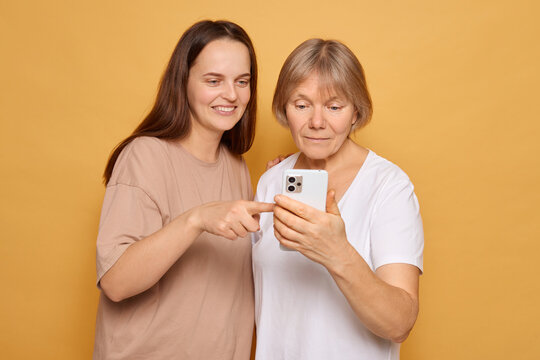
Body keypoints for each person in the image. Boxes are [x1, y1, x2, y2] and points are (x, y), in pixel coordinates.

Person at [93, 20, 273, 360]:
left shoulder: (235, 166)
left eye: (242, 82)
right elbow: (115, 282)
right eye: (213, 80)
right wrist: (196, 220)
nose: (232, 95)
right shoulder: (145, 155)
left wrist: (276, 186)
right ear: (184, 82)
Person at [252, 39, 424, 360]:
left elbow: (399, 323)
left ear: (356, 111)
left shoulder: (389, 186)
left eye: (334, 107)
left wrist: (337, 253)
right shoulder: (270, 183)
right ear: (283, 109)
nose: (317, 122)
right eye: (302, 105)